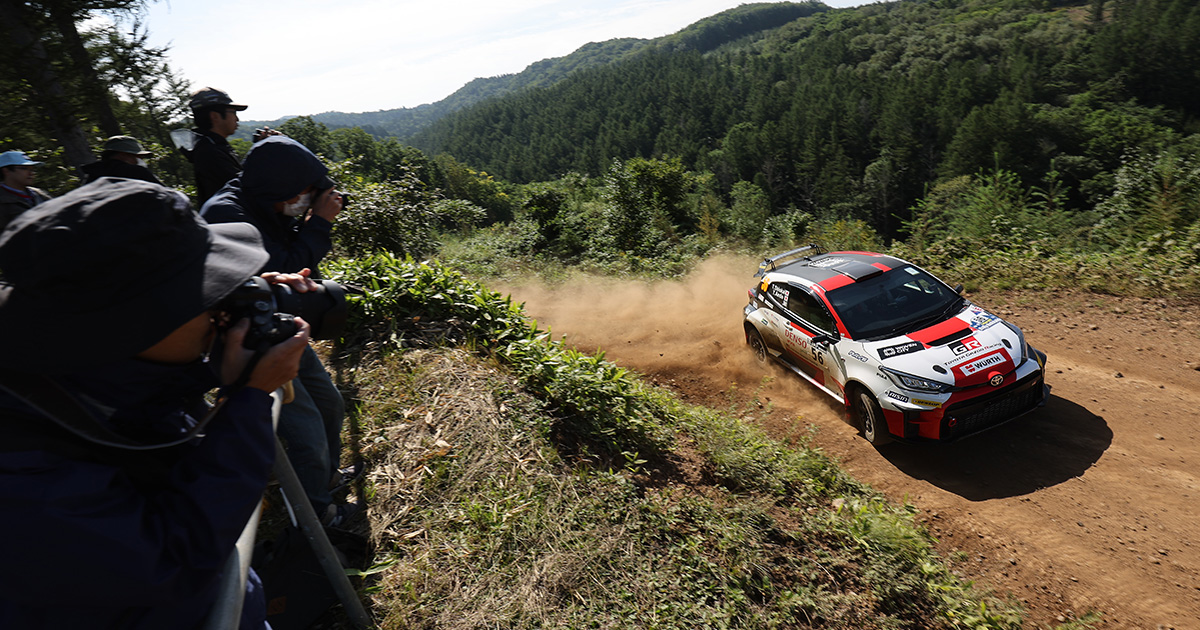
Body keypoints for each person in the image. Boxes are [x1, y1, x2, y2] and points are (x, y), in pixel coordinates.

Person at [0, 178, 313, 629]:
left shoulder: (68, 372)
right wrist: (247, 400)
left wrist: (239, 316)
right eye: (206, 294)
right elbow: (173, 560)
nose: (219, 303)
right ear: (135, 322)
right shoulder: (19, 472)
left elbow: (134, 393)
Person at [201, 136, 360, 526]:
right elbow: (289, 263)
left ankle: (326, 480)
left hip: (277, 325)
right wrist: (318, 224)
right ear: (279, 186)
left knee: (330, 404)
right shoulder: (227, 213)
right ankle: (316, 518)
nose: (307, 199)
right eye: (305, 192)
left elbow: (283, 272)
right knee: (305, 434)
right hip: (247, 342)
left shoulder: (264, 203)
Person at [184, 87, 248, 205]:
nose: (237, 119)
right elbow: (244, 188)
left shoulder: (210, 145)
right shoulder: (209, 151)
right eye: (233, 112)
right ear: (215, 116)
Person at [0, 150, 51, 231]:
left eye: (32, 169)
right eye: (24, 168)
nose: (31, 173)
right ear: (6, 171)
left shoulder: (39, 194)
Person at [80, 135, 162, 185]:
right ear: (123, 154)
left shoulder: (92, 176)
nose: (139, 160)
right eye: (137, 156)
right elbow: (167, 196)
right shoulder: (137, 172)